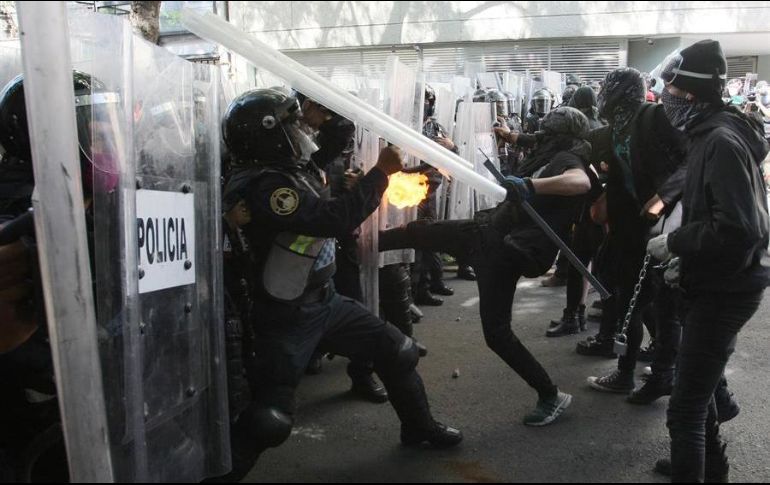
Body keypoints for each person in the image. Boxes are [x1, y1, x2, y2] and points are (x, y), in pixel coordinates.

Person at [221, 88, 462, 460]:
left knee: (396, 352)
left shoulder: (287, 169)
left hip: (324, 300)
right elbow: (330, 220)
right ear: (268, 134)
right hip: (285, 315)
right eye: (290, 123)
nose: (300, 128)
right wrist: (381, 172)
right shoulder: (265, 185)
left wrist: (330, 112)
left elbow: (327, 158)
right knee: (269, 421)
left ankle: (419, 428)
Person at [381, 106, 597, 426]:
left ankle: (550, 394)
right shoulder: (553, 151)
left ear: (559, 137)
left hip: (503, 253)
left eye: (546, 134)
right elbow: (529, 140)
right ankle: (362, 242)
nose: (540, 138)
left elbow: (580, 183)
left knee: (496, 334)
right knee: (418, 233)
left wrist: (531, 186)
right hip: (486, 234)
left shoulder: (569, 159)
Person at [648, 40, 770, 482]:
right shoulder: (710, 132)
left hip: (728, 288)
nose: (666, 99)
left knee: (685, 408)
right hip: (721, 279)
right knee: (698, 389)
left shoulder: (719, 140)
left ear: (693, 96)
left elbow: (741, 228)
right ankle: (710, 469)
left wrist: (677, 243)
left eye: (672, 92)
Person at [574, 69, 687, 410]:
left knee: (647, 302)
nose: (602, 95)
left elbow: (690, 159)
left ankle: (637, 372)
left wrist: (665, 203)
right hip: (633, 227)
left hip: (665, 225)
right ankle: (661, 366)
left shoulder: (654, 117)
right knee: (634, 296)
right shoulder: (615, 130)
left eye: (607, 88)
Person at [407, 84, 457, 307]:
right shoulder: (403, 124)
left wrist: (452, 146)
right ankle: (416, 291)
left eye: (428, 100)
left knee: (431, 237)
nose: (424, 104)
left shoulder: (435, 126)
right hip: (410, 188)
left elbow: (452, 154)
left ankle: (430, 284)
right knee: (415, 241)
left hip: (432, 189)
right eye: (421, 100)